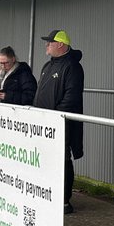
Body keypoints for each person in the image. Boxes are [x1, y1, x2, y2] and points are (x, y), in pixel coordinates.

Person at [33, 29, 84, 214]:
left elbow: (71, 98)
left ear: (60, 45)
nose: (46, 46)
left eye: (50, 42)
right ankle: (48, 194)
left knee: (62, 160)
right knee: (46, 160)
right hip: (44, 124)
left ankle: (64, 200)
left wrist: (55, 117)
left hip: (61, 124)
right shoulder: (47, 66)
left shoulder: (72, 67)